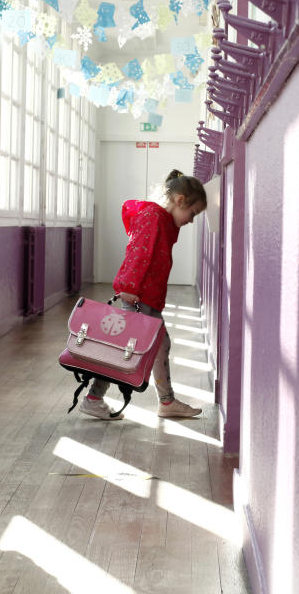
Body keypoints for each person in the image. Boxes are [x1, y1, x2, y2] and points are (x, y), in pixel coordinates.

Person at [79, 169, 208, 420]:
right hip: (136, 297)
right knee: (122, 350)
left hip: (146, 298)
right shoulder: (153, 217)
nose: (192, 220)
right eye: (192, 213)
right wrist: (128, 287)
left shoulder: (163, 220)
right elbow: (138, 252)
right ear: (179, 200)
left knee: (160, 345)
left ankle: (166, 402)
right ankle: (94, 398)